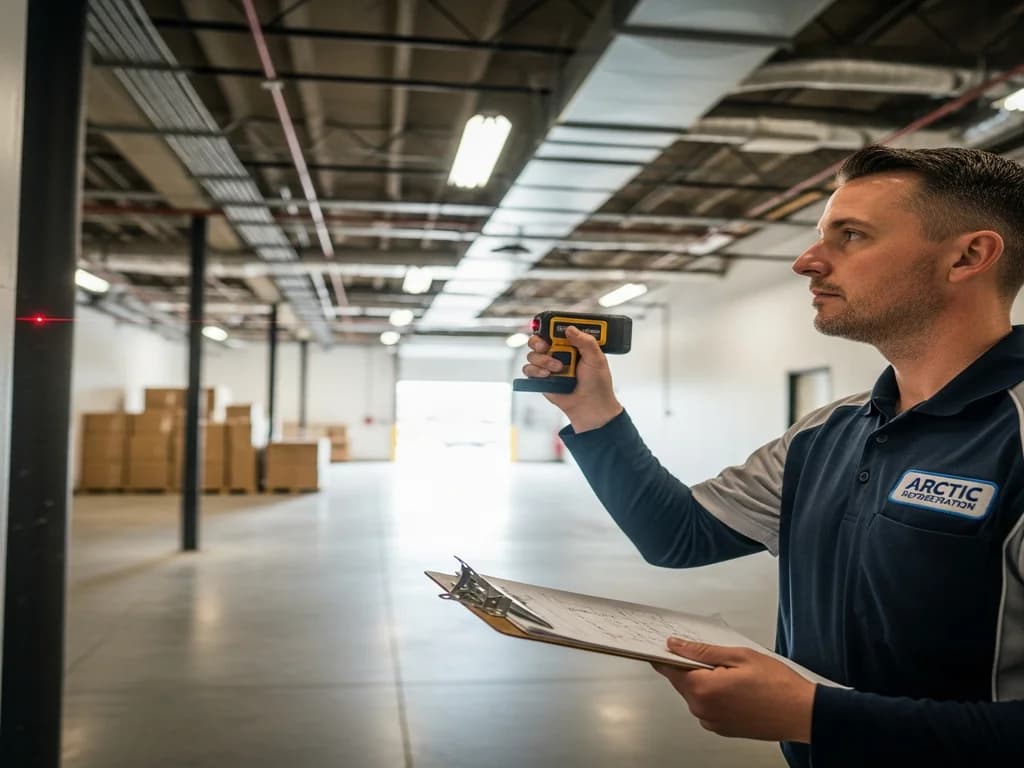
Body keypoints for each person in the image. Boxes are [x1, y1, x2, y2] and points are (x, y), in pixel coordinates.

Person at [522, 145, 1024, 767]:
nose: (806, 261)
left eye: (851, 236)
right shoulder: (826, 431)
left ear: (969, 256)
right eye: (822, 235)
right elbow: (677, 536)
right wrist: (592, 411)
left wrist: (815, 715)